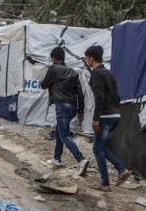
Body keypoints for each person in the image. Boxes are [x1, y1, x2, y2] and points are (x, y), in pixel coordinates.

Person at [84, 45, 132, 190]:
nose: (86, 60)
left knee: (97, 149)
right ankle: (121, 170)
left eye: (87, 58)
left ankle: (105, 183)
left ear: (91, 58)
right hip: (115, 115)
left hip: (104, 116)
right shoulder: (110, 73)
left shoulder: (97, 74)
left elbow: (99, 97)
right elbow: (116, 95)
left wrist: (96, 118)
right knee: (101, 146)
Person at [41, 47, 89, 175]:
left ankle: (81, 159)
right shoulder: (73, 71)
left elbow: (43, 85)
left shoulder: (53, 69)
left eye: (51, 58)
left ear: (54, 58)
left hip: (61, 105)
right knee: (59, 130)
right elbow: (80, 92)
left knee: (65, 135)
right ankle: (57, 158)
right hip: (72, 107)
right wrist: (81, 111)